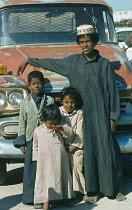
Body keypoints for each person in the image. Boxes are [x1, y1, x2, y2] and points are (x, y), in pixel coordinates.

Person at [17, 24, 126, 202]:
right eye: (81, 42)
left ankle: (114, 189)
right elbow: (51, 63)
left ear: (95, 42)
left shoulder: (104, 64)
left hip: (101, 114)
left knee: (107, 151)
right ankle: (93, 190)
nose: (85, 45)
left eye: (88, 41)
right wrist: (30, 61)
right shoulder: (72, 62)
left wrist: (113, 117)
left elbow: (112, 91)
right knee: (88, 153)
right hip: (81, 116)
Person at [14, 71, 54, 209]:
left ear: (43, 84)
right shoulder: (25, 102)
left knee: (46, 168)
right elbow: (22, 123)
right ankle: (31, 197)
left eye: (39, 83)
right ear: (29, 86)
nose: (37, 86)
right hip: (31, 139)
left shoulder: (49, 100)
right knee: (31, 169)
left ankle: (48, 198)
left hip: (46, 139)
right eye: (33, 84)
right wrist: (22, 142)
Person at [32, 104, 75, 210]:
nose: (53, 126)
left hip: (59, 157)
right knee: (45, 179)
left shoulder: (60, 128)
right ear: (43, 119)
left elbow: (70, 133)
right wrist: (36, 158)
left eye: (55, 123)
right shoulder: (38, 130)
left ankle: (64, 197)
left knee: (61, 176)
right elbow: (35, 145)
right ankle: (45, 201)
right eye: (50, 123)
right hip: (44, 160)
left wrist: (59, 128)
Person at [59, 86, 87, 197]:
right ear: (61, 102)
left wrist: (75, 146)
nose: (69, 105)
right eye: (66, 102)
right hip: (62, 145)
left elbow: (80, 131)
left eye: (72, 102)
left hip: (76, 145)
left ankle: (82, 191)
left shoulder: (79, 113)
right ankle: (65, 193)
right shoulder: (59, 112)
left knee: (78, 164)